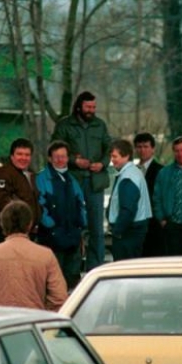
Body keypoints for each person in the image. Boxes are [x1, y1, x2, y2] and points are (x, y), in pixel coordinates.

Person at [0, 200, 68, 311]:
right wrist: (43, 315)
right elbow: (59, 298)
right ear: (29, 224)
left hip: (1, 324)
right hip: (33, 321)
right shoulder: (46, 255)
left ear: (3, 224)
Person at [51, 91, 111, 271]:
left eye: (93, 107)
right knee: (73, 227)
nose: (91, 110)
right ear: (79, 106)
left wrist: (102, 163)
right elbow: (55, 150)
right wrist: (74, 161)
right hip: (72, 183)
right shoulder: (65, 125)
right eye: (88, 107)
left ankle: (96, 269)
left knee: (97, 230)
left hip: (95, 183)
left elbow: (109, 149)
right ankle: (72, 271)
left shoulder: (100, 125)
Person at [36, 140, 88, 290]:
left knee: (73, 281)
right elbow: (40, 206)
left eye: (63, 156)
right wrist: (51, 226)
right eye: (56, 156)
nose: (60, 160)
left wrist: (80, 226)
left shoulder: (72, 179)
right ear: (50, 158)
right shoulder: (42, 178)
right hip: (52, 240)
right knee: (53, 282)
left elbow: (81, 204)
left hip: (73, 239)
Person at [108, 139, 151, 260]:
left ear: (126, 156)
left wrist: (117, 231)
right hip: (133, 230)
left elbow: (128, 209)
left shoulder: (128, 177)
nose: (112, 160)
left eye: (115, 156)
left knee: (124, 270)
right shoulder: (134, 173)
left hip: (128, 233)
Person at [0, 138, 41, 243]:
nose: (23, 158)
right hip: (10, 234)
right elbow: (0, 200)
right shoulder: (4, 174)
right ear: (12, 156)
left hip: (30, 234)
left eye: (27, 155)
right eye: (19, 154)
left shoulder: (31, 175)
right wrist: (21, 221)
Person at [134, 132, 164, 257]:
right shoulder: (132, 170)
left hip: (155, 223)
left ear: (152, 149)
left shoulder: (160, 170)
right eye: (139, 147)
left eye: (146, 147)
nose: (142, 150)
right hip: (136, 222)